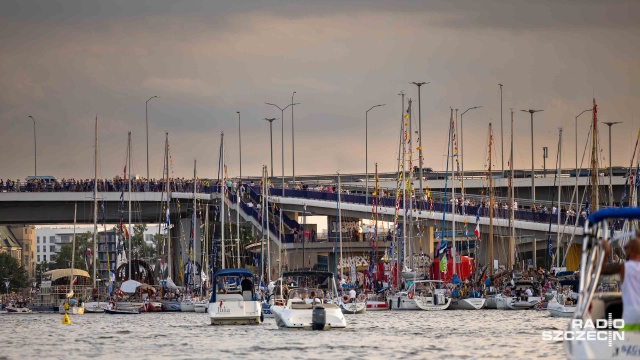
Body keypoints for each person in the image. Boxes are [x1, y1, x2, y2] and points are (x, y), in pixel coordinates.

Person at [601, 233, 640, 330]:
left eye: (626, 247)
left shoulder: (624, 267)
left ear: (631, 250)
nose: (624, 249)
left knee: (623, 343)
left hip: (631, 316)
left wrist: (606, 252)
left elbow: (601, 270)